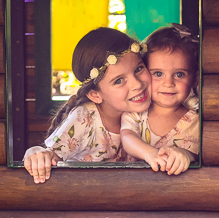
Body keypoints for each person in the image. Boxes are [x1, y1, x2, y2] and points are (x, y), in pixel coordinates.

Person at [23, 27, 152, 183]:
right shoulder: (85, 118)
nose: (136, 84)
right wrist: (36, 153)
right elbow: (49, 155)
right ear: (95, 95)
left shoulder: (147, 109)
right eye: (119, 80)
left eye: (138, 69)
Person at [120, 24, 199, 175]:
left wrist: (186, 155)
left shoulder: (195, 122)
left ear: (194, 79)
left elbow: (197, 154)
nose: (168, 83)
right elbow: (128, 137)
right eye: (158, 74)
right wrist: (150, 153)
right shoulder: (137, 112)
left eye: (179, 74)